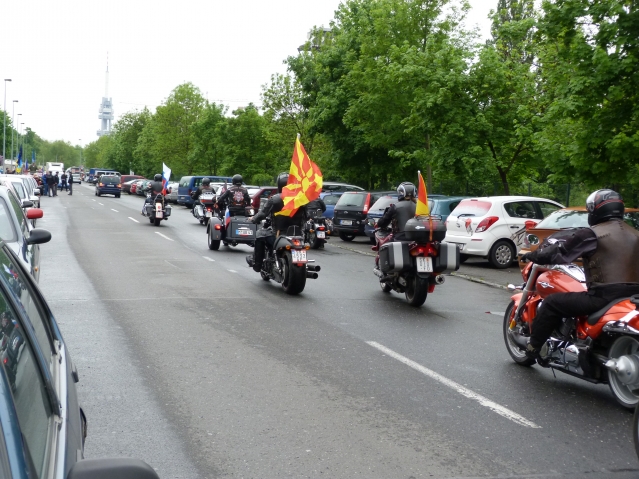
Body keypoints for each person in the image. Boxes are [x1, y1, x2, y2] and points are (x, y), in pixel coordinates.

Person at [520, 189, 639, 364]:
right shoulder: (636, 234)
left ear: (596, 210)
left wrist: (534, 255)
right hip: (633, 295)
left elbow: (561, 254)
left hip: (603, 296)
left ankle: (532, 348)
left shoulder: (592, 234)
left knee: (552, 303)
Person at [246, 172, 306, 272]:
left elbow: (262, 214)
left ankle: (257, 264)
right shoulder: (301, 199)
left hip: (278, 234)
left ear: (279, 184)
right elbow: (308, 216)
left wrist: (253, 219)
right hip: (298, 235)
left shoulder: (275, 199)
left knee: (259, 234)